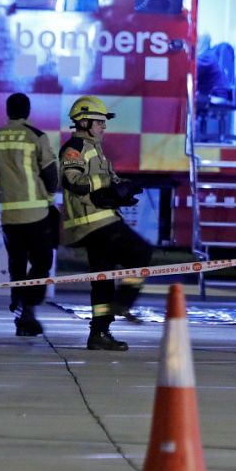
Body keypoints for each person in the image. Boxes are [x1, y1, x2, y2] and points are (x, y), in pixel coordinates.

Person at [60, 95, 151, 351]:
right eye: (99, 121)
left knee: (103, 278)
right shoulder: (75, 147)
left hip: (100, 219)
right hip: (94, 222)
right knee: (141, 252)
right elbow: (73, 181)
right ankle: (123, 303)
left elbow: (104, 181)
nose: (104, 126)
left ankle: (99, 334)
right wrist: (108, 185)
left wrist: (124, 190)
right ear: (84, 121)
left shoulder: (93, 148)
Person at [0, 92, 61, 337]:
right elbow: (50, 173)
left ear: (8, 111)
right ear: (27, 112)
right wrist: (49, 196)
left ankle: (18, 305)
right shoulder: (36, 137)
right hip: (34, 211)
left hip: (6, 213)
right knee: (41, 261)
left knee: (17, 262)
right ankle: (28, 308)